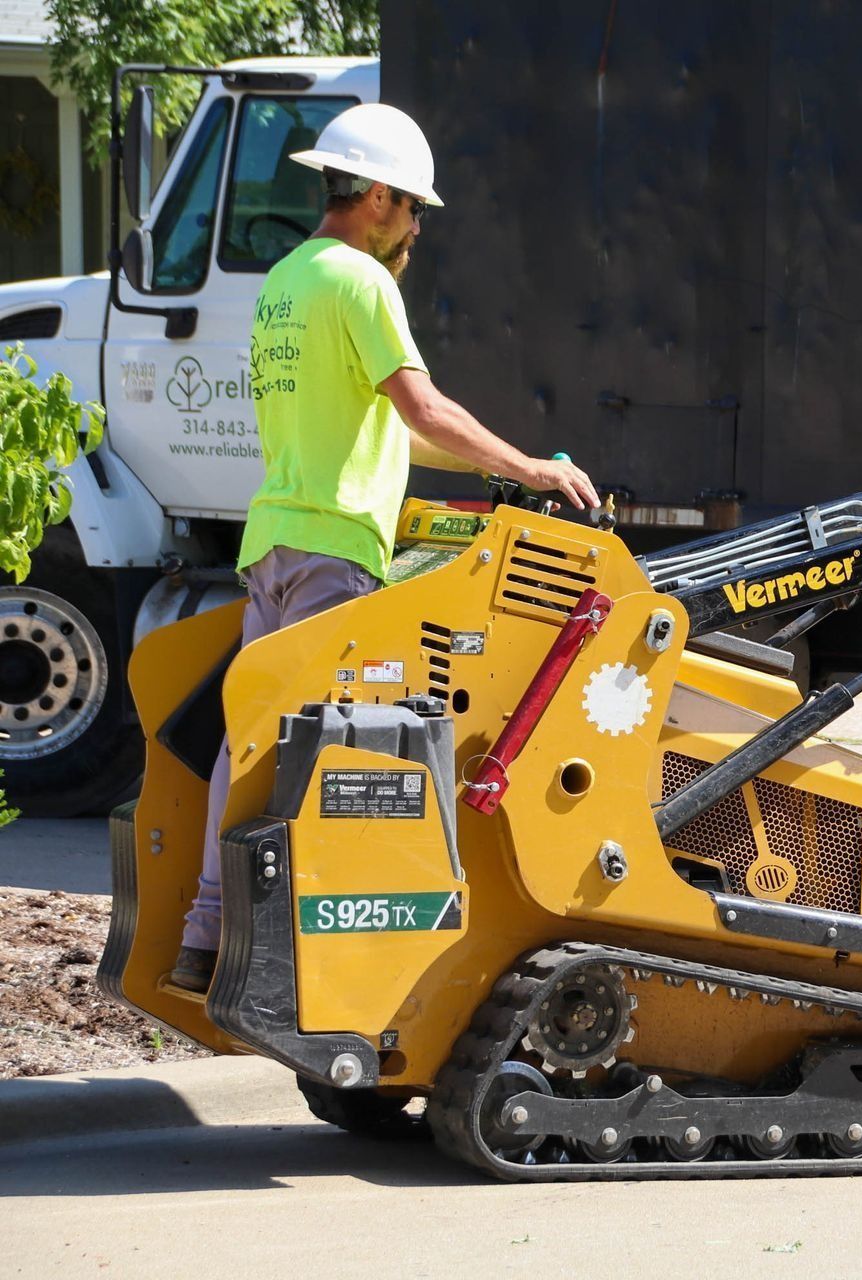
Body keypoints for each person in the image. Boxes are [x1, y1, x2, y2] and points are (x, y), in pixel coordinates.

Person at [170, 103, 597, 992]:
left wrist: (511, 471)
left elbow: (401, 432)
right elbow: (423, 406)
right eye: (411, 209)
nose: (415, 228)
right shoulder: (363, 283)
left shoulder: (288, 281)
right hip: (335, 548)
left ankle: (205, 934)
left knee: (249, 740)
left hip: (277, 541)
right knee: (345, 755)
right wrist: (532, 466)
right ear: (374, 196)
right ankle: (310, 966)